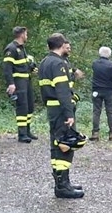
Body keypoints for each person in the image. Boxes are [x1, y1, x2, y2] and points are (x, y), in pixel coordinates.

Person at [39, 33, 87, 199]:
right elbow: (62, 90)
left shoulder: (45, 62)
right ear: (60, 45)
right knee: (65, 144)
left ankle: (62, 183)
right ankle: (63, 186)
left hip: (52, 109)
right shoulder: (58, 63)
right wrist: (69, 113)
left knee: (57, 144)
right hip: (60, 109)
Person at [2, 26, 38, 143]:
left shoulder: (22, 48)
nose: (27, 36)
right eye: (26, 34)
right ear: (22, 34)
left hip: (26, 81)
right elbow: (7, 69)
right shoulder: (11, 48)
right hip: (18, 82)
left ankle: (27, 131)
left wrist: (31, 67)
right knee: (22, 107)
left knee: (29, 107)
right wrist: (11, 84)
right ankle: (22, 134)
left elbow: (22, 64)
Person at [90, 46, 112, 141]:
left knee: (96, 111)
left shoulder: (95, 63)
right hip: (109, 91)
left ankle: (95, 133)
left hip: (96, 90)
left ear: (100, 53)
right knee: (110, 112)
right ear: (109, 54)